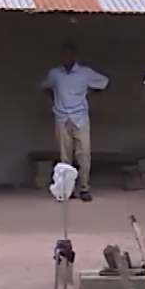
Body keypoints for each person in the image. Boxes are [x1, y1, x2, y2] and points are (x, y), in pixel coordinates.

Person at [40, 43, 109, 202]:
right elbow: (44, 86)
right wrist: (54, 98)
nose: (67, 57)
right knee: (65, 157)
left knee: (84, 154)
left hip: (80, 117)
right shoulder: (55, 74)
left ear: (74, 56)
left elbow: (104, 82)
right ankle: (66, 190)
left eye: (70, 54)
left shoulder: (85, 73)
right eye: (65, 54)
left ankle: (84, 188)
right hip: (62, 117)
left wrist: (89, 94)